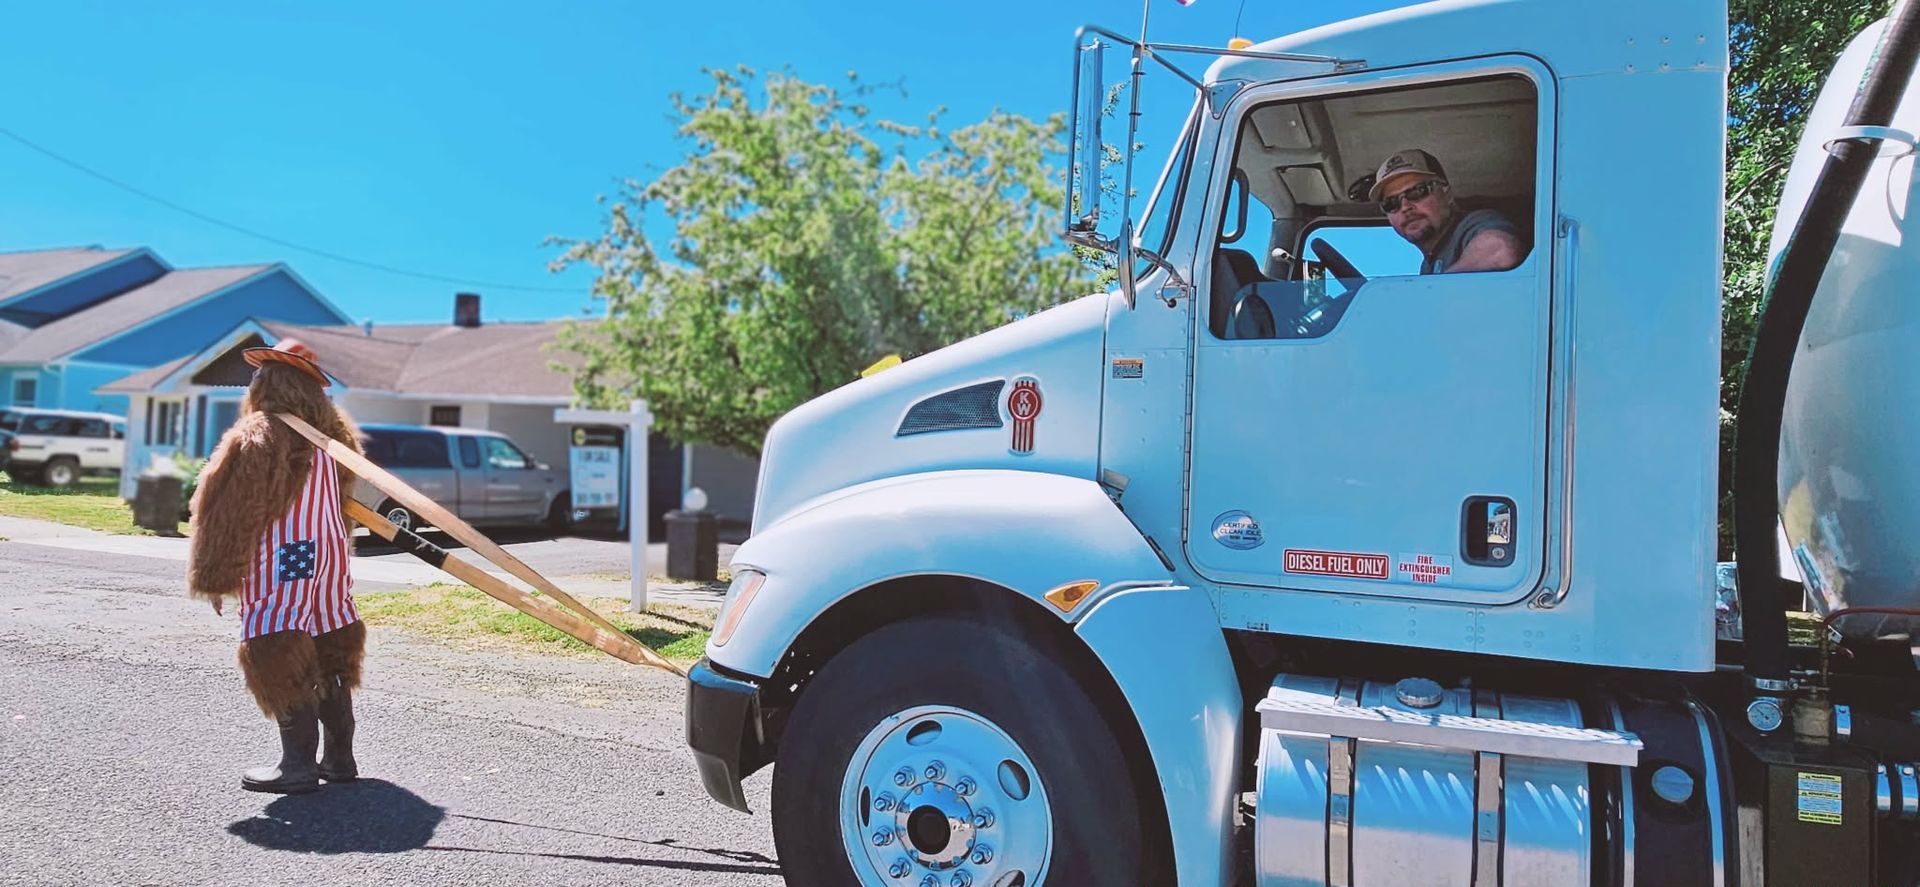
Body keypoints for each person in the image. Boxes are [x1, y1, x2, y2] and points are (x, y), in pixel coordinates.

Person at [187, 339, 366, 794]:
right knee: (328, 635)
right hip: (327, 557)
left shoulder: (261, 434)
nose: (253, 382)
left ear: (270, 382)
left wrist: (215, 577)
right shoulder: (333, 438)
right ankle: (339, 757)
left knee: (276, 637)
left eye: (258, 375)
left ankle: (298, 764)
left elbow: (231, 512)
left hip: (286, 555)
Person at [1368, 148, 1525, 274]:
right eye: (1391, 203)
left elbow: (1500, 250)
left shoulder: (1474, 223)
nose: (1405, 207)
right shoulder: (1428, 266)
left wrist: (1437, 288)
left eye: (1417, 192)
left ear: (1447, 193)